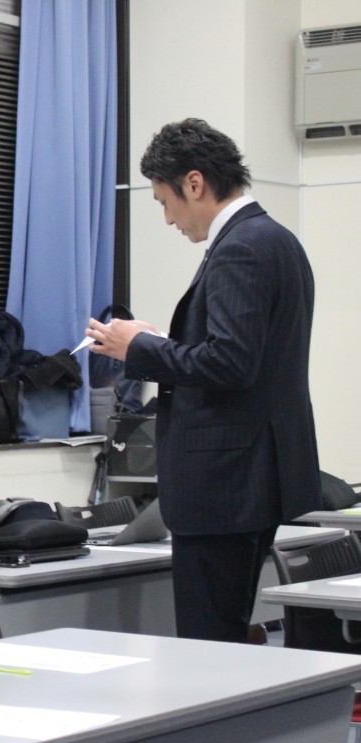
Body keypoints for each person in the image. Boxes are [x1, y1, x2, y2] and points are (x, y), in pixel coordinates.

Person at [86, 118, 320, 642]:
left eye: (164, 202)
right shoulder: (277, 239)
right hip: (255, 475)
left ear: (195, 184)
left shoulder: (239, 247)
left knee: (209, 644)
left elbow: (230, 364)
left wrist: (139, 349)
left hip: (225, 484)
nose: (168, 219)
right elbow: (245, 354)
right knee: (227, 636)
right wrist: (160, 341)